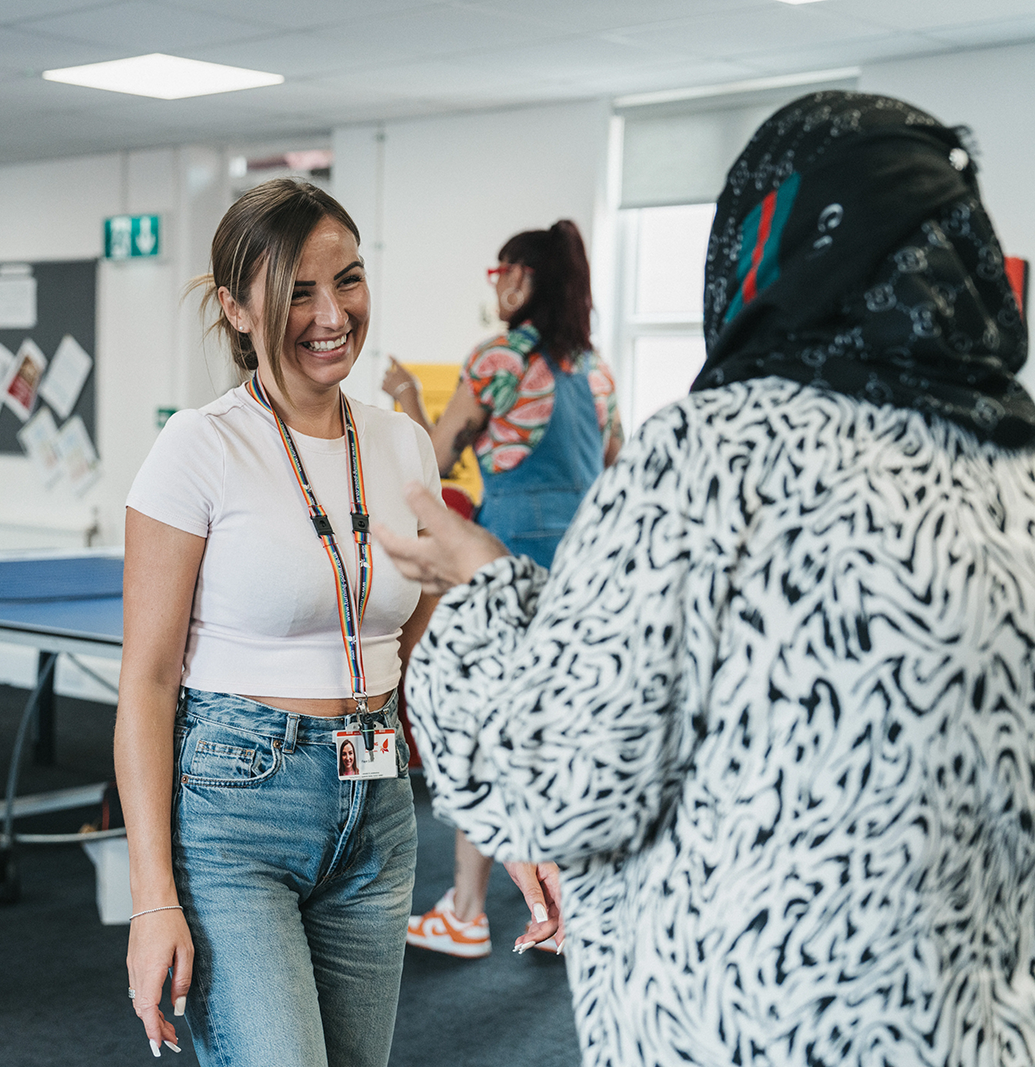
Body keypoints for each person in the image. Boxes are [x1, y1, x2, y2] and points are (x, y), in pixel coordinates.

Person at [378, 90, 1035, 1066]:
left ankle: (463, 905)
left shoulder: (712, 454)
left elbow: (544, 785)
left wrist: (474, 585)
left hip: (735, 1027)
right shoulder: (1016, 474)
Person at [117, 178, 442, 1066]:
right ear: (237, 307)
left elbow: (426, 617)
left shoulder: (405, 443)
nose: (332, 313)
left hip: (379, 801)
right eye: (298, 289)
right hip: (238, 803)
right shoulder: (200, 444)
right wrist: (153, 901)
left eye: (349, 279)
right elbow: (145, 683)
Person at [383, 221, 622, 959]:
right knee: (565, 740)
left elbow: (439, 458)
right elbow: (617, 465)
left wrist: (404, 397)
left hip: (506, 564)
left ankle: (466, 910)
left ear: (522, 279)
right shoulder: (595, 368)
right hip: (582, 572)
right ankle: (567, 907)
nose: (494, 286)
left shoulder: (497, 359)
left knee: (491, 732)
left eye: (501, 273)